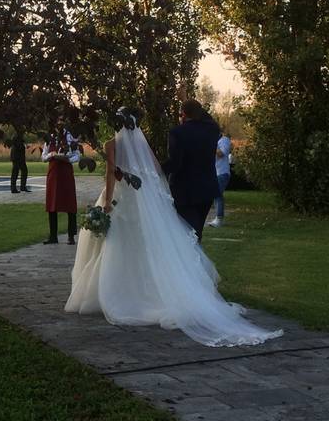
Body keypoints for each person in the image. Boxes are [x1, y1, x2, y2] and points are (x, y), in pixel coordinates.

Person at [65, 110, 282, 347]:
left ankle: (120, 293)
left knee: (119, 244)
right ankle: (146, 290)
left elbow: (109, 173)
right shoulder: (142, 144)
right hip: (138, 198)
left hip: (120, 198)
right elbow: (156, 169)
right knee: (144, 245)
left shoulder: (111, 144)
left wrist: (107, 202)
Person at [162, 99, 221, 242]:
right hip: (207, 188)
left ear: (183, 114)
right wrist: (186, 99)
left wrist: (157, 169)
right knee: (197, 231)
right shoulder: (213, 129)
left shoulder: (178, 132)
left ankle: (192, 263)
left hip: (185, 191)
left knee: (187, 234)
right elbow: (206, 116)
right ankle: (196, 261)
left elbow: (176, 163)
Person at [42, 125, 79, 245]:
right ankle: (53, 236)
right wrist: (51, 155)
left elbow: (77, 155)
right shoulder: (50, 138)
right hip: (53, 173)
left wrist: (67, 159)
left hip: (66, 173)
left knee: (70, 204)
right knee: (52, 204)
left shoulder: (71, 137)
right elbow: (43, 157)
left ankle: (71, 236)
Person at [209, 131, 233, 228]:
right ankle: (218, 217)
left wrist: (212, 144)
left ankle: (219, 219)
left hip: (222, 173)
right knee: (216, 195)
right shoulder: (215, 142)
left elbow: (221, 154)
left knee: (217, 194)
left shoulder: (224, 140)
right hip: (215, 173)